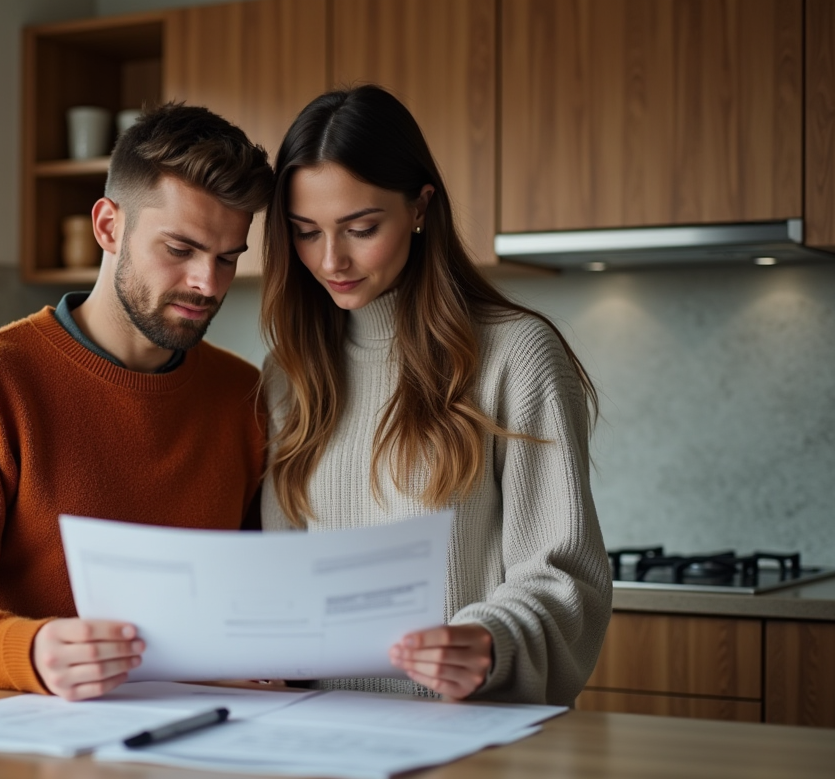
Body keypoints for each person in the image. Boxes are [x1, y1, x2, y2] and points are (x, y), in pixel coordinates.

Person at [0, 103, 273, 700]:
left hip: (197, 734)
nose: (208, 283)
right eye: (180, 249)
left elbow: (249, 588)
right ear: (109, 226)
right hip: (26, 735)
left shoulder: (244, 398)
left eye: (227, 257)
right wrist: (28, 649)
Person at [259, 85, 612, 706]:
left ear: (420, 208)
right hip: (320, 739)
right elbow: (282, 583)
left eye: (361, 228)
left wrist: (489, 642)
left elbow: (566, 577)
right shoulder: (288, 376)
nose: (331, 260)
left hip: (474, 740)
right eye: (306, 232)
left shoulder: (517, 356)